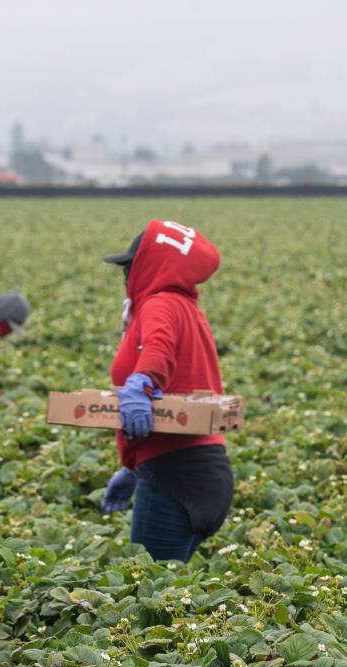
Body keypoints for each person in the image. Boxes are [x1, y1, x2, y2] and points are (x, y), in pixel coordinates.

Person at [98, 220, 234, 562]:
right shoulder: (185, 308)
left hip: (174, 475)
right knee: (172, 592)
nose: (126, 278)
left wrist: (142, 381)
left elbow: (158, 349)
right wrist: (131, 467)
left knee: (151, 595)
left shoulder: (159, 303)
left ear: (148, 266)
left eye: (129, 268)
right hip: (205, 470)